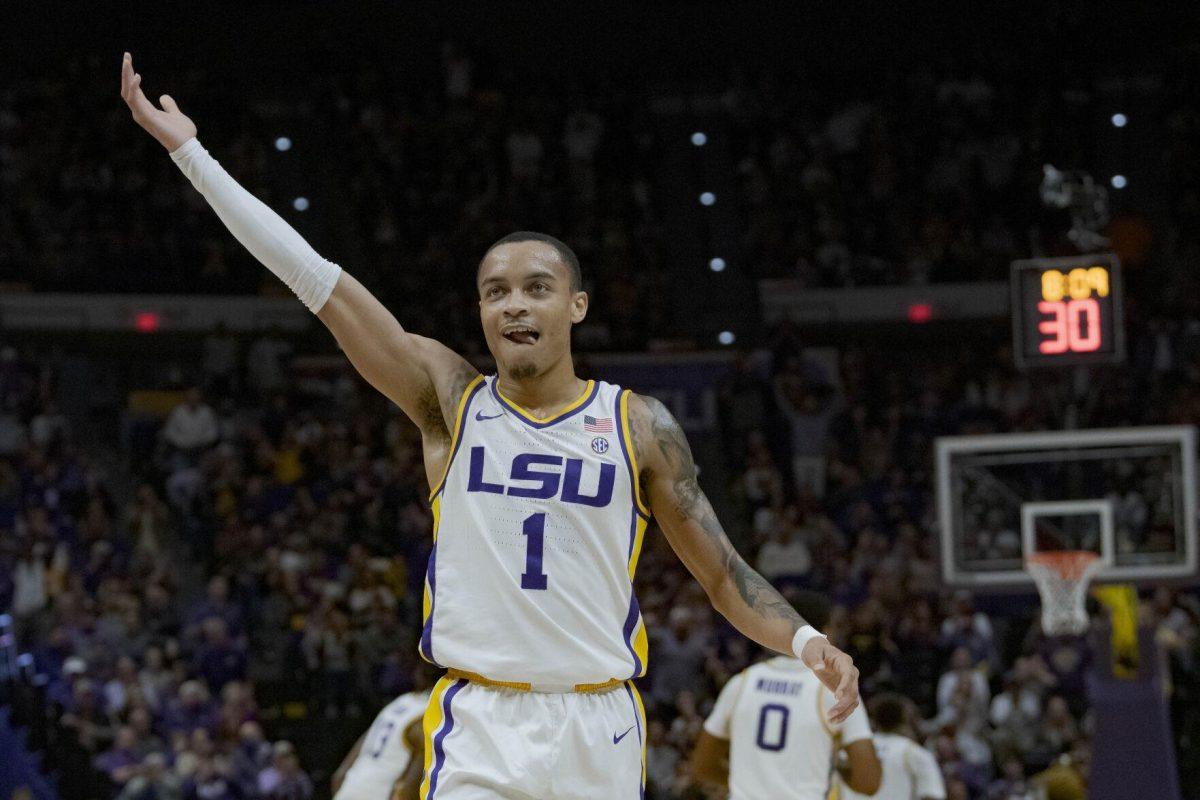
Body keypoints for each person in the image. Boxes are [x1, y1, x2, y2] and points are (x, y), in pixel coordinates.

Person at [120, 53, 861, 799]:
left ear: (576, 305)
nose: (514, 304)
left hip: (598, 724)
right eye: (495, 291)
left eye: (537, 288)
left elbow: (724, 576)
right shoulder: (449, 399)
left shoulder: (637, 424)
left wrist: (806, 640)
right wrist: (193, 154)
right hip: (481, 721)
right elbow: (315, 276)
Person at [690, 592, 880, 799]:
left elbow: (702, 766)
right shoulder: (834, 688)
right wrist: (835, 765)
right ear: (826, 631)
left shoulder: (742, 682)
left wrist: (746, 783)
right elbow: (868, 782)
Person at [332, 688, 431, 800]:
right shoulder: (432, 717)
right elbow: (406, 793)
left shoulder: (402, 701)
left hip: (347, 791)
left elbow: (339, 776)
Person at [842, 694, 945, 800]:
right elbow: (931, 795)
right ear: (904, 719)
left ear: (874, 721)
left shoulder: (855, 751)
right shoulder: (914, 752)